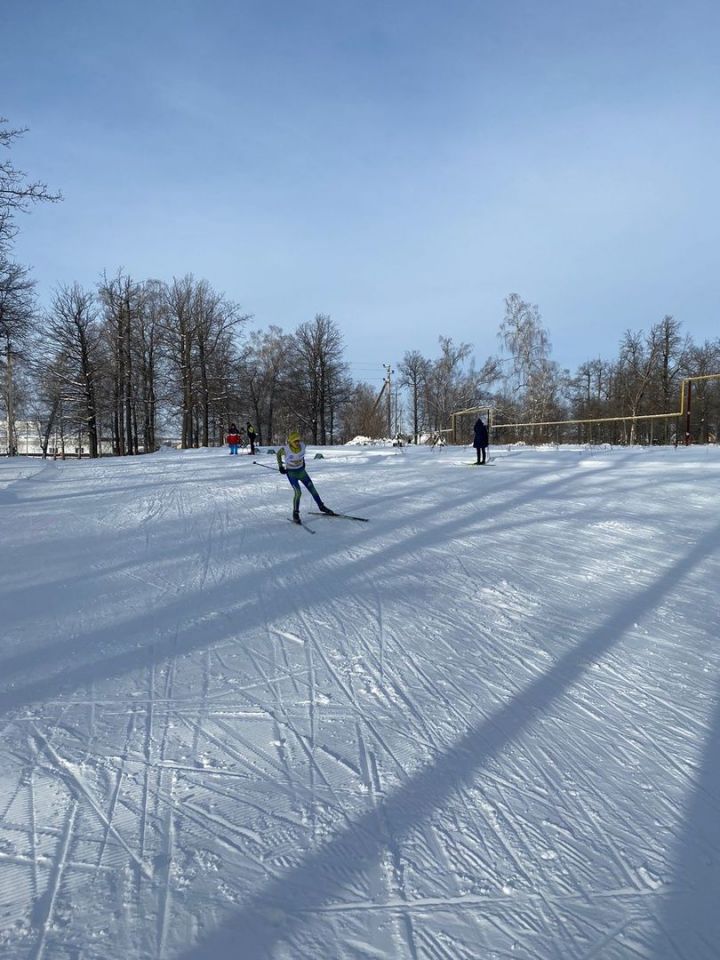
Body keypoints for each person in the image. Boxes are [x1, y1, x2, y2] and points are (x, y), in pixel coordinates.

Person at [276, 430, 334, 523]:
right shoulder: (286, 449)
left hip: (302, 472)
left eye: (298, 440)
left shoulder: (303, 446)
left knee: (312, 489)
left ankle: (321, 506)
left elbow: (301, 455)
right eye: (295, 441)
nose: (298, 443)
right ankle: (295, 513)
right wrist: (280, 466)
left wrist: (303, 462)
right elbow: (278, 454)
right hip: (292, 474)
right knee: (298, 492)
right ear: (291, 442)